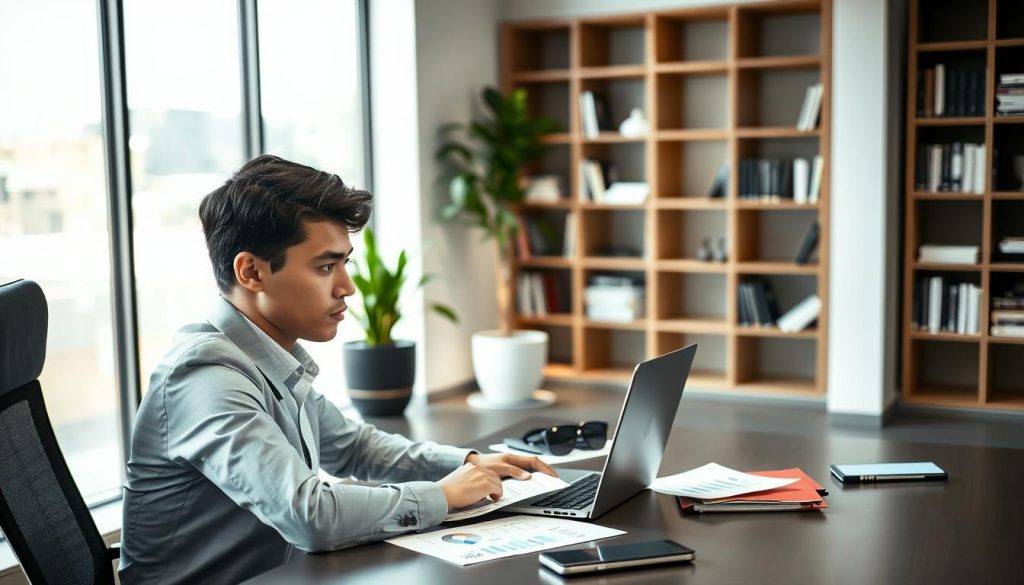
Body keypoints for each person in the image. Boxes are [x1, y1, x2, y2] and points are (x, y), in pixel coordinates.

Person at [119, 155, 556, 584]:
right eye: (326, 266)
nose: (346, 287)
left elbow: (353, 448)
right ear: (251, 271)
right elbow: (309, 515)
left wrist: (470, 463)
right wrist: (442, 495)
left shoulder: (268, 359)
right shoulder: (206, 374)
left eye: (345, 263)